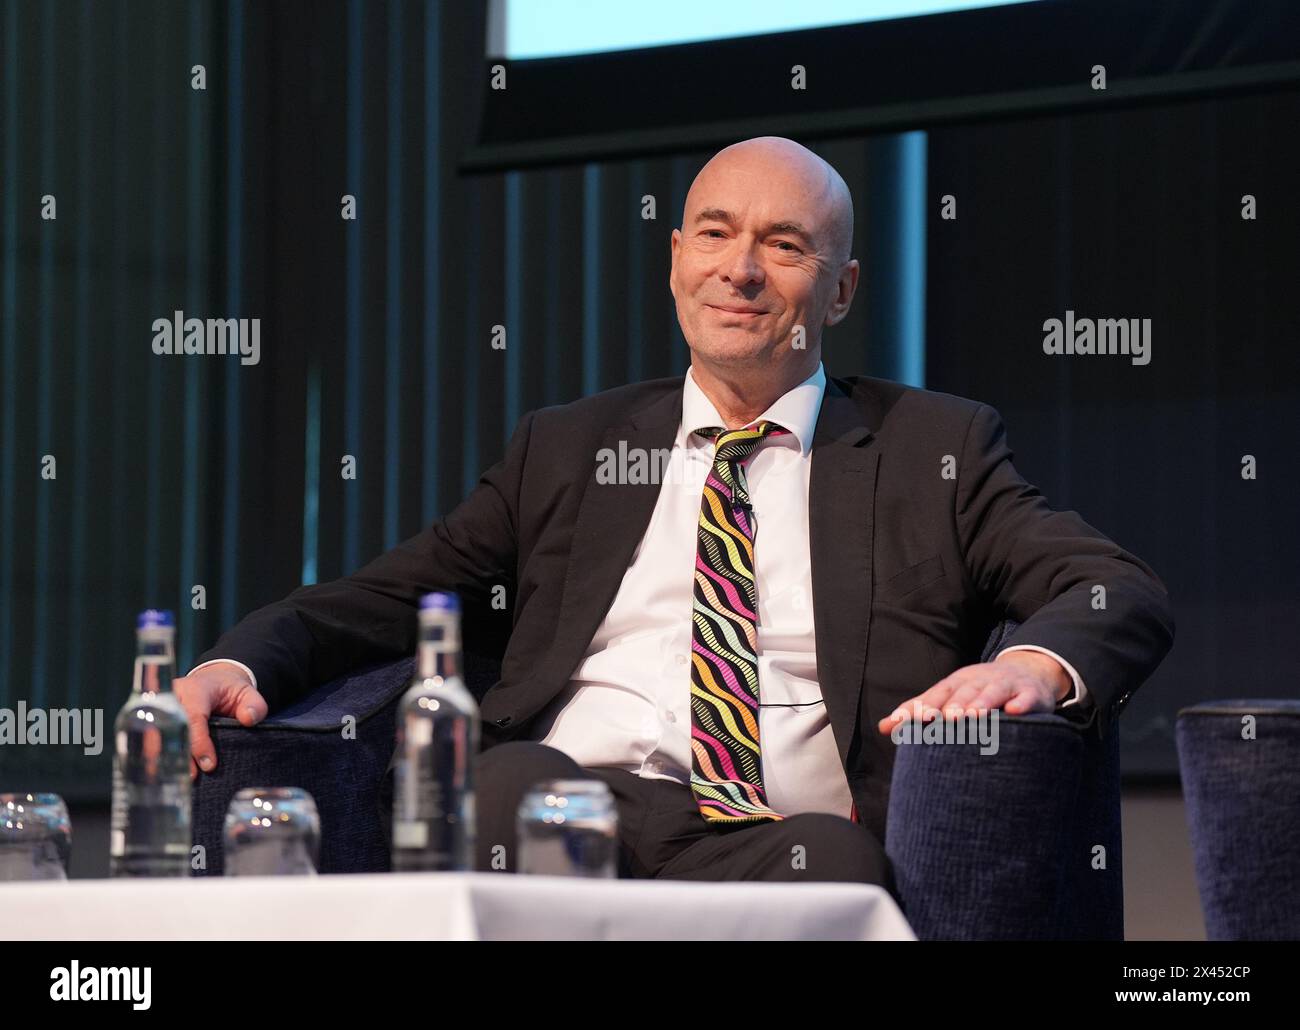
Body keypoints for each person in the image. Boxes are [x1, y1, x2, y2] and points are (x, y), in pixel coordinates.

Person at [176, 136, 1174, 888]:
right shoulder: (569, 445)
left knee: (830, 869)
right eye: (715, 233)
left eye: (784, 245)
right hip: (562, 807)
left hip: (782, 837)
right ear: (675, 258)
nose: (740, 270)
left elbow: (1114, 588)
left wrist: (1026, 667)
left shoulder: (932, 447)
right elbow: (386, 599)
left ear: (840, 292)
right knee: (503, 784)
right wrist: (237, 661)